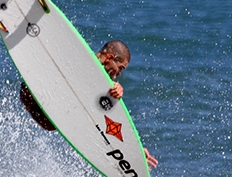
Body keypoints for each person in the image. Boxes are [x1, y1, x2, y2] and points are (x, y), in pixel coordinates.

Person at [20, 40, 158, 169]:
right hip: (35, 90)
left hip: (41, 106)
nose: (118, 74)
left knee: (54, 125)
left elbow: (109, 122)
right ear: (110, 58)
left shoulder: (103, 86)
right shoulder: (81, 59)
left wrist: (135, 149)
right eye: (120, 68)